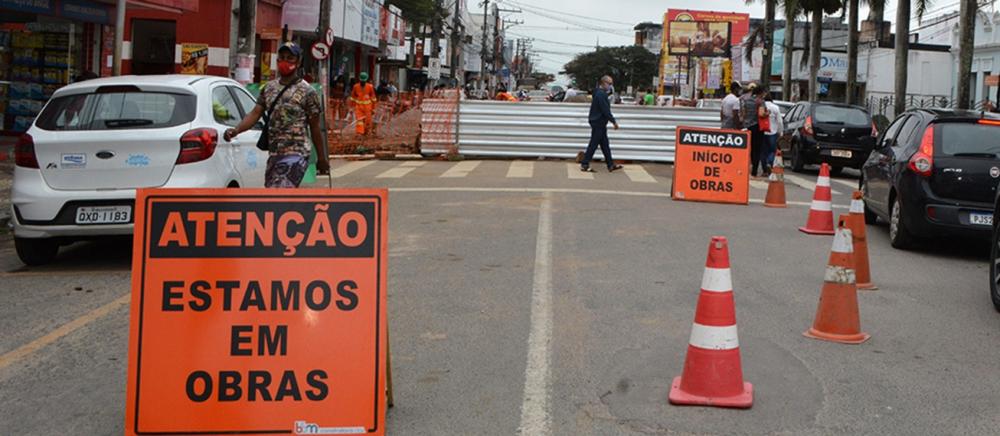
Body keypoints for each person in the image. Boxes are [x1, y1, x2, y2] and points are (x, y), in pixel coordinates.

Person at [224, 42, 329, 188]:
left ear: (298, 62)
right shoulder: (269, 88)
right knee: (274, 196)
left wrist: (322, 158)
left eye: (290, 58)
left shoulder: (308, 92)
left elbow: (315, 127)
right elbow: (255, 114)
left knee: (279, 190)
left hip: (297, 153)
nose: (285, 61)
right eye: (282, 57)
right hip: (275, 154)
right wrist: (236, 130)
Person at [581, 75, 623, 173]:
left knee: (605, 144)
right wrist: (614, 122)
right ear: (603, 83)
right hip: (598, 122)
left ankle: (610, 164)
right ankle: (584, 164)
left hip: (598, 122)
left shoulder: (599, 93)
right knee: (594, 144)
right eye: (609, 84)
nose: (610, 86)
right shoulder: (601, 95)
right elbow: (605, 110)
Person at [739, 82, 763, 177]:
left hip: (746, 126)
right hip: (757, 127)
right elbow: (761, 114)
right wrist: (767, 113)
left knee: (745, 148)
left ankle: (743, 168)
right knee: (756, 149)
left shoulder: (745, 100)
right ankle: (754, 170)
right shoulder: (760, 101)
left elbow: (742, 113)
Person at [761, 93, 784, 177]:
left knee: (763, 152)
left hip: (762, 132)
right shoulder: (775, 108)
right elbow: (779, 121)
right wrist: (780, 132)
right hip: (772, 132)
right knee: (772, 150)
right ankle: (769, 162)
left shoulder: (761, 107)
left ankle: (764, 170)